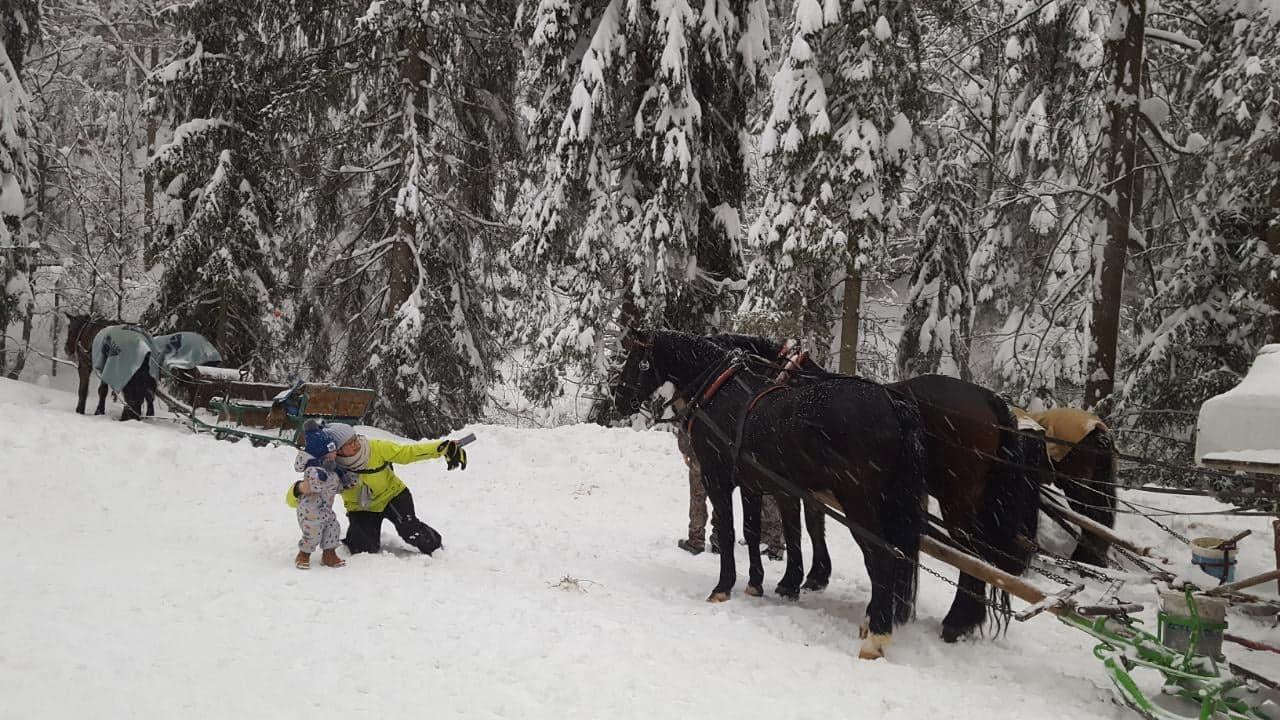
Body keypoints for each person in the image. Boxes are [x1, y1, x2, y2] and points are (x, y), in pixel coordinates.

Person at [286, 422, 467, 556]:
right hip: (361, 507)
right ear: (337, 450)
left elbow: (408, 452)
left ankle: (436, 547)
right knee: (362, 548)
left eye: (355, 438)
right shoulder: (330, 470)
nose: (356, 443)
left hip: (392, 495)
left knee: (410, 530)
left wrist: (441, 448)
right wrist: (300, 489)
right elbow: (296, 499)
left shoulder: (376, 448)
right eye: (349, 443)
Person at [675, 427, 784, 560]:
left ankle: (696, 539)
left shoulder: (697, 407)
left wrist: (685, 449)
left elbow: (687, 421)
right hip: (726, 451)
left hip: (704, 449)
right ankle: (720, 537)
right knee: (720, 496)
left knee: (699, 496)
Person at [291, 424, 358, 569]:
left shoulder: (334, 471)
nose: (335, 455)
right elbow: (315, 487)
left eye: (334, 451)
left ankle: (329, 555)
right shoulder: (313, 469)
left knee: (333, 529)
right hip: (310, 511)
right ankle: (303, 554)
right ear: (321, 453)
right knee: (312, 534)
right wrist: (321, 475)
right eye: (331, 452)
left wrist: (346, 484)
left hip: (326, 509)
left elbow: (334, 488)